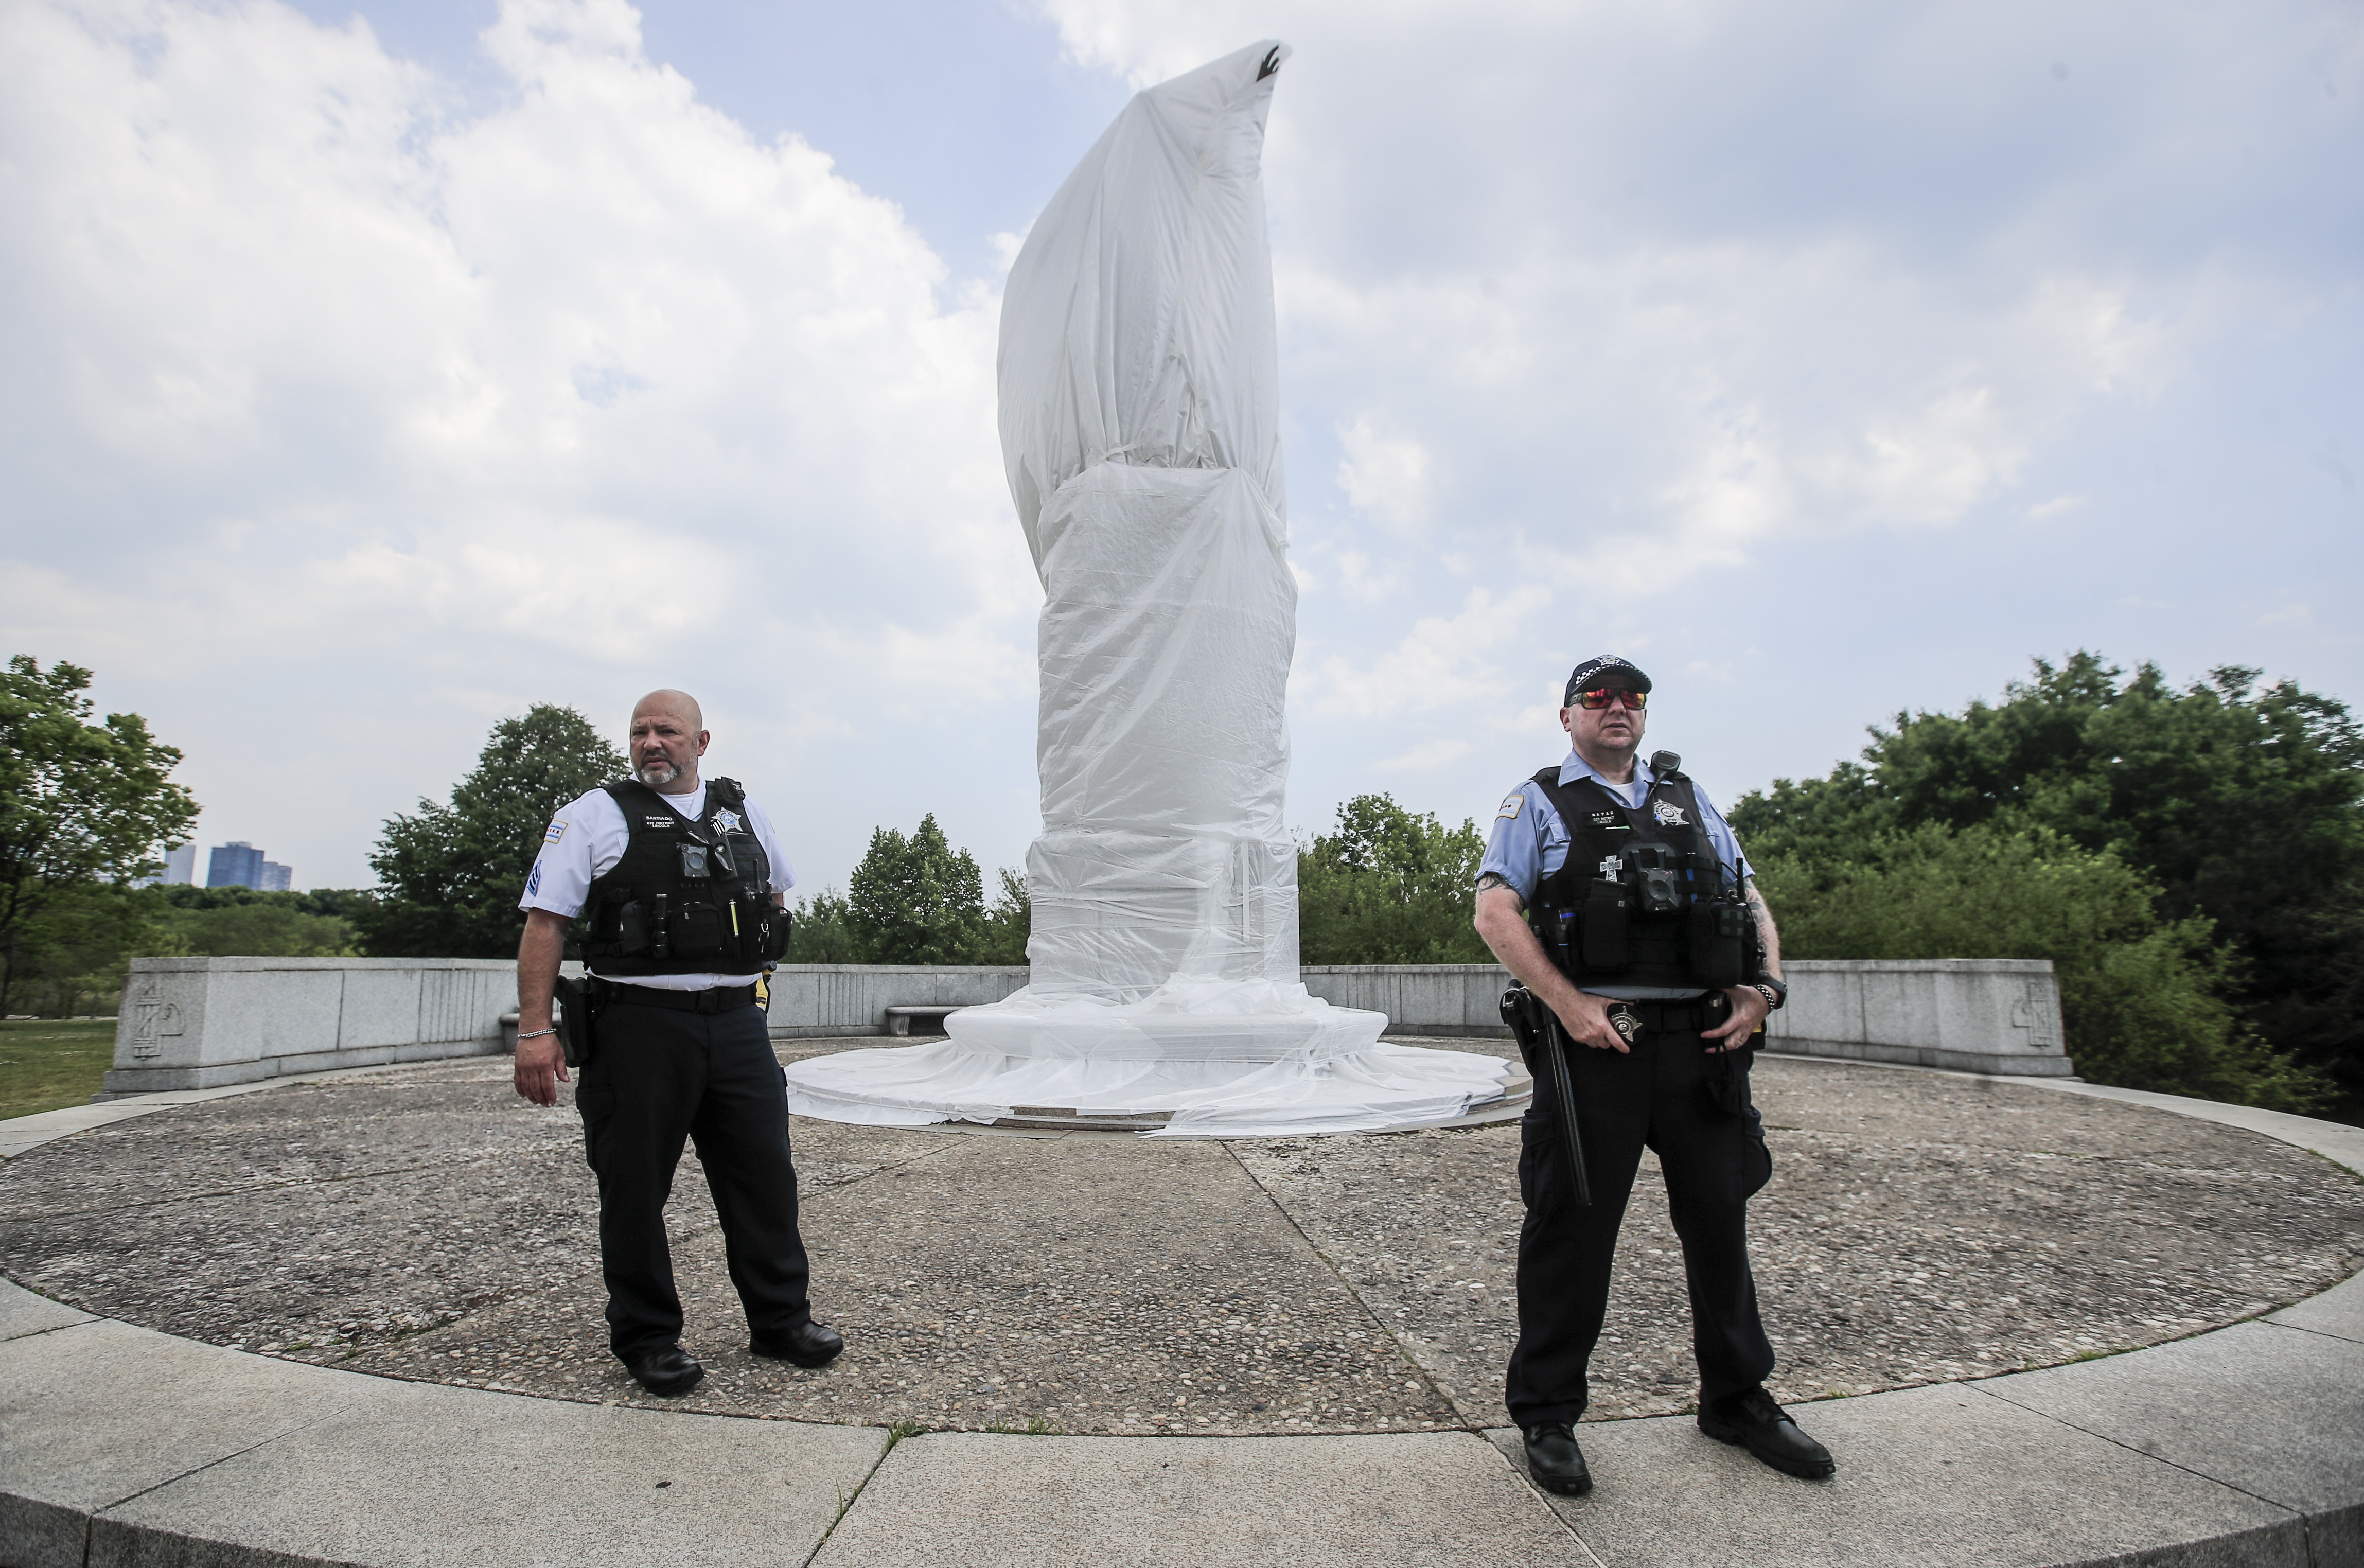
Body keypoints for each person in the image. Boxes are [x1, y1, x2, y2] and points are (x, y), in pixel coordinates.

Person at [1472, 654, 1832, 1493]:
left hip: (1704, 1043)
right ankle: (1548, 1412)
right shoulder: (1536, 803)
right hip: (1601, 1044)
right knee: (1571, 1230)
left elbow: (1748, 899)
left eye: (1631, 696)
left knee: (1719, 1224)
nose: (1617, 707)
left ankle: (1736, 1399)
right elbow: (1495, 910)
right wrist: (1566, 1004)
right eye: (1596, 697)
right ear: (1567, 717)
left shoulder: (1689, 797)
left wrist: (1765, 989)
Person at [512, 689, 841, 1397]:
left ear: (701, 741)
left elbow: (774, 900)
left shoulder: (743, 813)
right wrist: (536, 1032)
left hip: (736, 1026)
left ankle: (781, 1321)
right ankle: (648, 1338)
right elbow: (545, 925)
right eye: (639, 733)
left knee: (763, 1180)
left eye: (666, 731)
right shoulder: (593, 815)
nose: (651, 743)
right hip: (638, 1028)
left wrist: (755, 982)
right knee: (633, 1189)